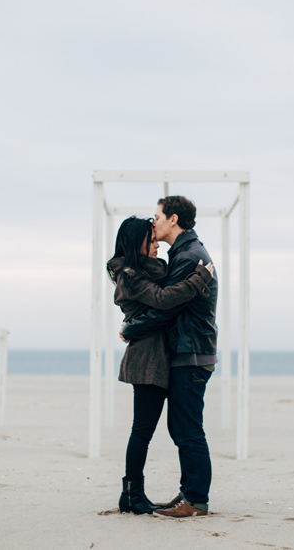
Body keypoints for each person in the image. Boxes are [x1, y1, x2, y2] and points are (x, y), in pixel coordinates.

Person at [107, 216, 214, 515]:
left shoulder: (146, 271)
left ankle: (134, 494)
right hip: (147, 359)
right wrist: (198, 279)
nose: (156, 244)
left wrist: (130, 326)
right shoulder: (130, 274)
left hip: (155, 356)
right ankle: (131, 494)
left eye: (155, 239)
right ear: (136, 241)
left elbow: (161, 301)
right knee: (142, 431)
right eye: (150, 240)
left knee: (147, 430)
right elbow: (163, 300)